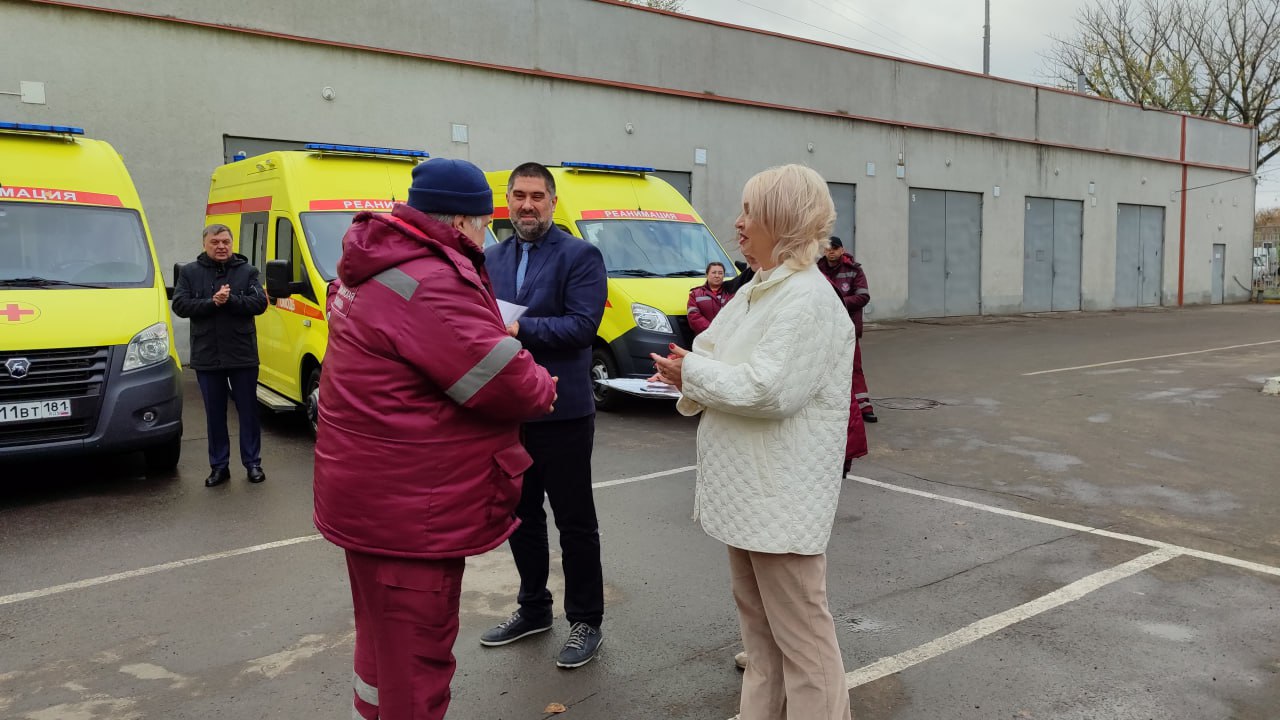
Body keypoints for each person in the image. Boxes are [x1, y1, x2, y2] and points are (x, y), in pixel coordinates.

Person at [313, 157, 558, 720]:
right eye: (486, 222)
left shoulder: (380, 260)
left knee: (380, 648)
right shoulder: (429, 281)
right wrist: (544, 384)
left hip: (369, 499)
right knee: (417, 661)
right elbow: (509, 382)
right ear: (465, 222)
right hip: (411, 511)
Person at [652, 164, 854, 720]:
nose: (737, 224)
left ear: (781, 221)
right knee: (761, 636)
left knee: (804, 643)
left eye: (749, 212)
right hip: (749, 498)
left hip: (779, 501)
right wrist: (685, 367)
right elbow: (711, 349)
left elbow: (770, 390)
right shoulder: (759, 289)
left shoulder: (807, 300)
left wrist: (691, 374)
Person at [481, 162, 609, 668]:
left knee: (575, 522)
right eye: (519, 195)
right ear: (507, 200)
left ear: (553, 202)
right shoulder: (489, 257)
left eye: (537, 196)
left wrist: (519, 331)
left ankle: (586, 621)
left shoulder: (580, 255)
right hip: (508, 413)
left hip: (563, 412)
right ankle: (534, 608)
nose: (527, 205)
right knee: (520, 515)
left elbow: (580, 327)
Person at [171, 224, 268, 487]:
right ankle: (219, 466)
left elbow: (260, 303)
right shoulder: (190, 272)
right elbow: (180, 305)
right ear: (205, 244)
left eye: (225, 241)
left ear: (232, 243)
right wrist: (211, 302)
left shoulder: (248, 272)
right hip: (207, 355)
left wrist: (232, 299)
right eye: (215, 242)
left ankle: (253, 464)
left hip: (242, 354)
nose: (221, 246)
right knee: (215, 415)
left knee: (248, 411)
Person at [819, 236, 876, 426]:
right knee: (823, 367)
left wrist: (839, 302)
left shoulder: (854, 270)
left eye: (834, 248)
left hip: (848, 328)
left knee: (854, 367)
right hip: (824, 328)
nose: (831, 251)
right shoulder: (816, 270)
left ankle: (864, 407)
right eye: (828, 248)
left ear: (842, 250)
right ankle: (830, 406)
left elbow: (863, 296)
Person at [686, 261, 732, 336]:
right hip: (703, 337)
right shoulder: (695, 294)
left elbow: (735, 314)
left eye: (720, 273)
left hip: (726, 337)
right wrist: (711, 330)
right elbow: (693, 316)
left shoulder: (731, 293)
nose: (717, 276)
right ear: (707, 274)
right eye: (714, 272)